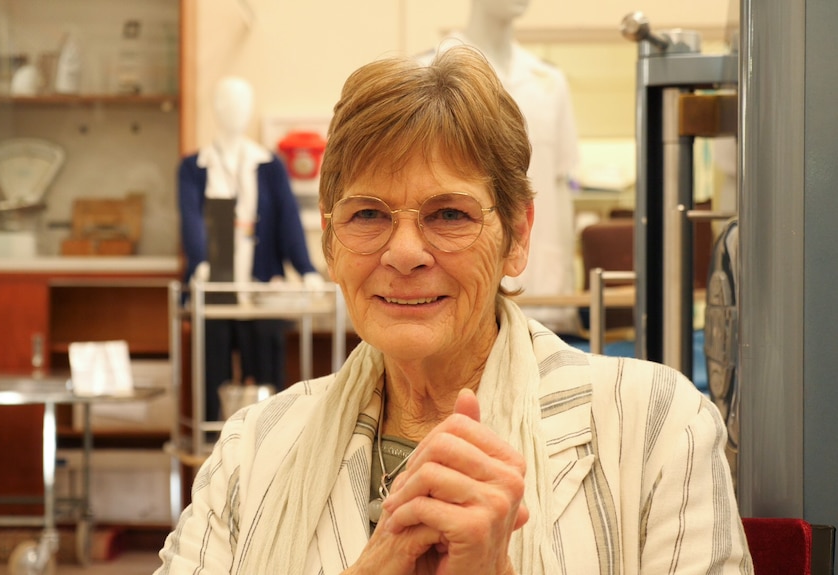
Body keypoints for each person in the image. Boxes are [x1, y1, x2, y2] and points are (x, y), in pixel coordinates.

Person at [157, 47, 751, 574]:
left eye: (449, 215)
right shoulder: (253, 448)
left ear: (517, 236)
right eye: (368, 215)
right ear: (330, 245)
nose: (406, 253)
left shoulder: (658, 429)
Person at [419, 0, 582, 335]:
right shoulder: (426, 72)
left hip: (542, 288)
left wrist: (563, 279)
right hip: (455, 272)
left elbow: (561, 185)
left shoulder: (549, 83)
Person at [178, 76, 322, 420]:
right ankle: (213, 440)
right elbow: (190, 219)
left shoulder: (268, 165)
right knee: (212, 372)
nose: (235, 111)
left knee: (270, 376)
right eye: (227, 102)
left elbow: (288, 221)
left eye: (242, 103)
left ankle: (272, 440)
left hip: (260, 288)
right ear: (215, 108)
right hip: (215, 286)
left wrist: (306, 269)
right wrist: (200, 262)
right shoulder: (194, 167)